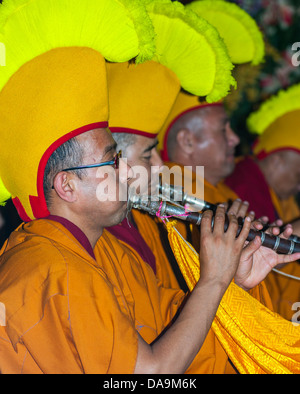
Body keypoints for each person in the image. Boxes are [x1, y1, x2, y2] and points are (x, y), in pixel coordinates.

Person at [225, 84, 300, 320]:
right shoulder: (244, 182)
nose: (299, 187)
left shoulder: (282, 197)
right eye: (299, 176)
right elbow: (253, 252)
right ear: (276, 161)